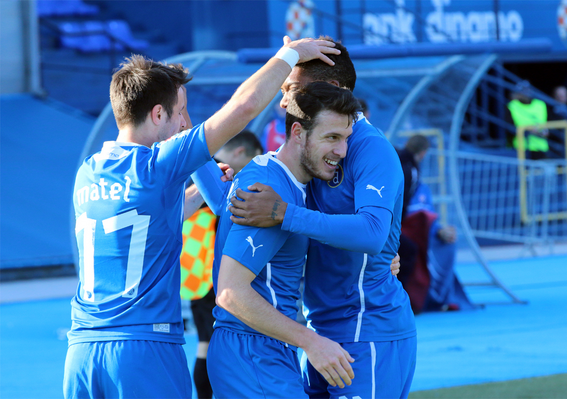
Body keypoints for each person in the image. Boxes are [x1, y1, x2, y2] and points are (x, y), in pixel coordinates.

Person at [64, 36, 341, 399]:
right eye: (180, 111)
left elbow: (146, 220)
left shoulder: (89, 172)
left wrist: (196, 195)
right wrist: (290, 55)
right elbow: (243, 107)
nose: (185, 123)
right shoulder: (157, 164)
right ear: (158, 114)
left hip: (81, 352)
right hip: (143, 348)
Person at [228, 37, 416, 399]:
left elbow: (373, 233)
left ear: (329, 90)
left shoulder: (371, 148)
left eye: (293, 89)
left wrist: (284, 214)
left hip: (367, 327)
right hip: (320, 330)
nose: (284, 100)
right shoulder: (311, 147)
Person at [191, 81, 360, 398]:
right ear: (298, 133)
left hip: (262, 350)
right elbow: (229, 293)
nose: (342, 151)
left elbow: (223, 206)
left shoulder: (273, 175)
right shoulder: (269, 187)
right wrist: (312, 342)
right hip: (252, 352)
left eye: (346, 139)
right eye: (332, 138)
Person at [179, 130, 263, 399]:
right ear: (240, 152)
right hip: (215, 273)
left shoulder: (195, 170)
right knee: (216, 344)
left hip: (194, 270)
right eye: (253, 160)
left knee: (205, 342)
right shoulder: (217, 175)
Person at [396, 135, 471, 313]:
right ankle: (401, 301)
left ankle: (407, 299)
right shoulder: (410, 170)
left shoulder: (399, 162)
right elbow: (405, 205)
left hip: (396, 222)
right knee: (408, 252)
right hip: (395, 223)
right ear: (423, 153)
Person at [506, 80, 549, 160]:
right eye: (522, 91)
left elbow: (550, 123)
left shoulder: (540, 104)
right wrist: (528, 131)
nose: (526, 93)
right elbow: (508, 127)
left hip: (540, 147)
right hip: (521, 148)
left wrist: (546, 132)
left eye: (527, 90)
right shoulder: (512, 105)